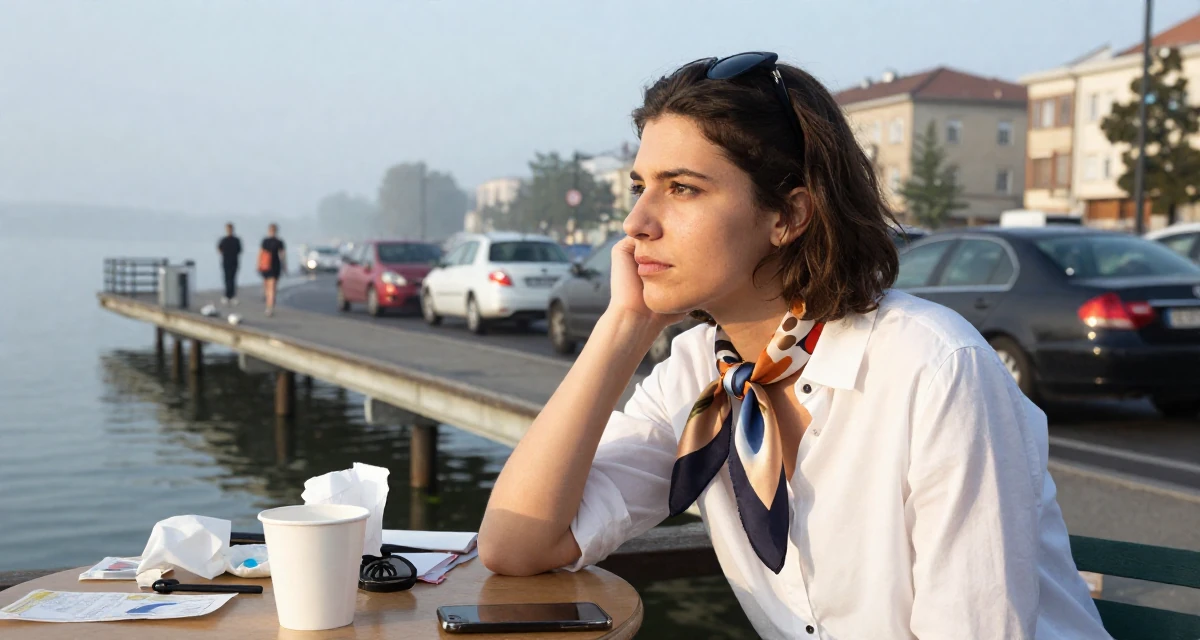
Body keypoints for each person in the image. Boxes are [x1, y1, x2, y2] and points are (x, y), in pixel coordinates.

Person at [478, 52, 1109, 639]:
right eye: (639, 186)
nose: (636, 221)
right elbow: (518, 545)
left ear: (788, 216)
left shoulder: (933, 365)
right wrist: (622, 330)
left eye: (682, 188)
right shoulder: (698, 372)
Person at [258, 223, 286, 316]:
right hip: (266, 266)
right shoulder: (265, 241)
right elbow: (261, 253)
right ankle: (268, 303)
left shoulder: (279, 242)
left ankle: (270, 307)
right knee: (267, 286)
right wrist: (259, 264)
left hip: (275, 266)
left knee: (272, 287)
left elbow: (282, 255)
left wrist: (284, 266)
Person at [217, 222, 242, 305]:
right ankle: (227, 295)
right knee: (226, 278)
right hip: (226, 261)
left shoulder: (236, 240)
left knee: (233, 278)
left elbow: (239, 250)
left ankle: (232, 296)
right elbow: (219, 249)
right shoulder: (223, 240)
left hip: (234, 262)